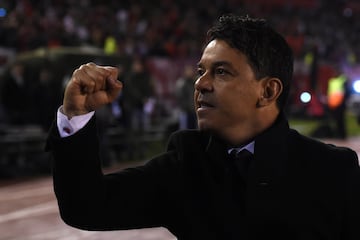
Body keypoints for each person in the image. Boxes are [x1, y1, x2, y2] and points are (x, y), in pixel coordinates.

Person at [46, 14, 360, 239]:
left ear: (268, 91)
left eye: (221, 72)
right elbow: (85, 207)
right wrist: (76, 113)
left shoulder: (334, 170)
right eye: (201, 70)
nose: (200, 83)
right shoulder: (185, 165)